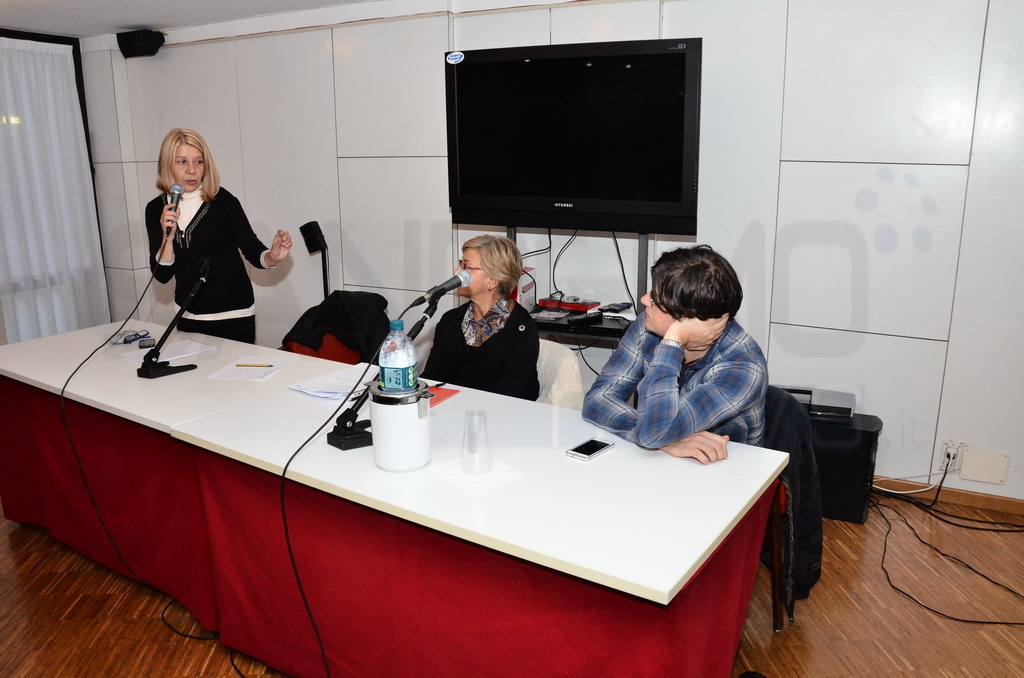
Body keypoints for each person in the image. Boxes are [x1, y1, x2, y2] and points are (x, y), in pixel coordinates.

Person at [582, 244, 767, 464]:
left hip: (725, 471)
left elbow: (654, 434)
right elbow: (597, 399)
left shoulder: (743, 367)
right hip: (661, 465)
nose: (644, 300)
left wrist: (673, 341)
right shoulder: (647, 327)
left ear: (689, 320)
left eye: (655, 300)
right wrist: (665, 440)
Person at [145, 128, 292, 344]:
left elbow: (253, 250)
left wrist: (273, 256)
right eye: (182, 162)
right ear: (167, 165)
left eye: (199, 162)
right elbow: (162, 276)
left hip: (233, 317)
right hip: (187, 316)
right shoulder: (156, 209)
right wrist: (168, 238)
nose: (192, 170)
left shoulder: (224, 202)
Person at [422, 235, 540, 400]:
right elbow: (432, 380)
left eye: (466, 266)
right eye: (460, 263)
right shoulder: (450, 321)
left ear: (493, 281)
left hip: (503, 413)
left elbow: (509, 397)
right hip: (452, 410)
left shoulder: (521, 329)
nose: (456, 272)